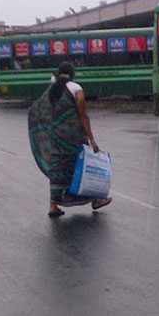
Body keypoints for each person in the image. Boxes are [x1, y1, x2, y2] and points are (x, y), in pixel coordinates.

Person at [28, 61, 112, 218]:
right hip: (73, 136)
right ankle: (96, 199)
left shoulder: (50, 90)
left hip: (55, 136)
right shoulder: (76, 89)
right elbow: (83, 115)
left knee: (58, 168)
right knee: (83, 166)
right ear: (73, 74)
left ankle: (53, 205)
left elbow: (37, 109)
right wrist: (92, 139)